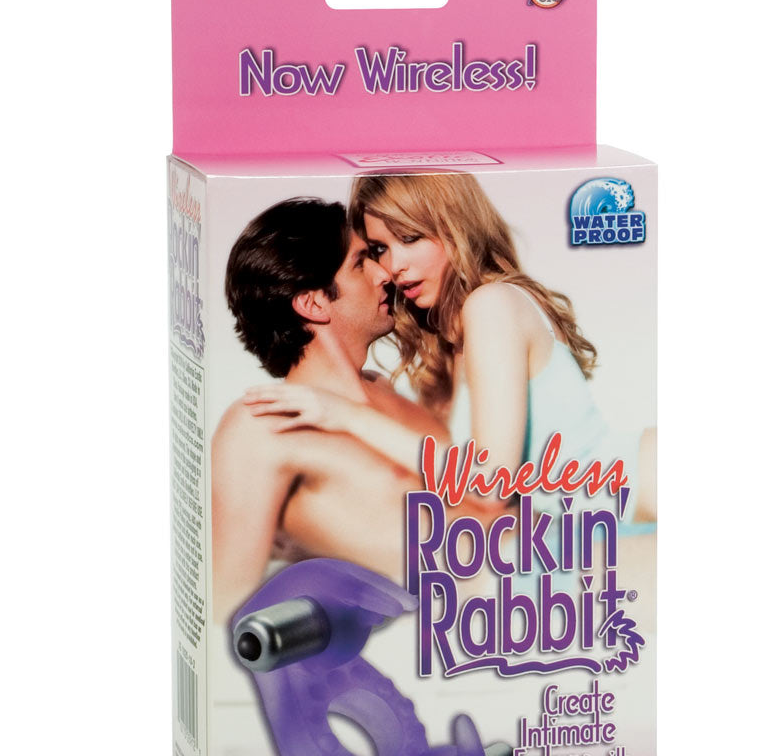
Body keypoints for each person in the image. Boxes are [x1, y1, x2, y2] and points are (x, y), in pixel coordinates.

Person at [245, 173, 656, 526]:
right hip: (601, 528)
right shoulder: (453, 342)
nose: (393, 266)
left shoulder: (491, 305)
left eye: (410, 238)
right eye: (380, 248)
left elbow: (489, 486)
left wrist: (346, 415)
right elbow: (460, 491)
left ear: (455, 227)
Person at [212, 197, 448, 625]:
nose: (385, 273)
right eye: (361, 263)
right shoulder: (262, 425)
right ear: (313, 304)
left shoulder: (386, 390)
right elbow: (229, 609)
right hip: (430, 635)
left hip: (528, 595)